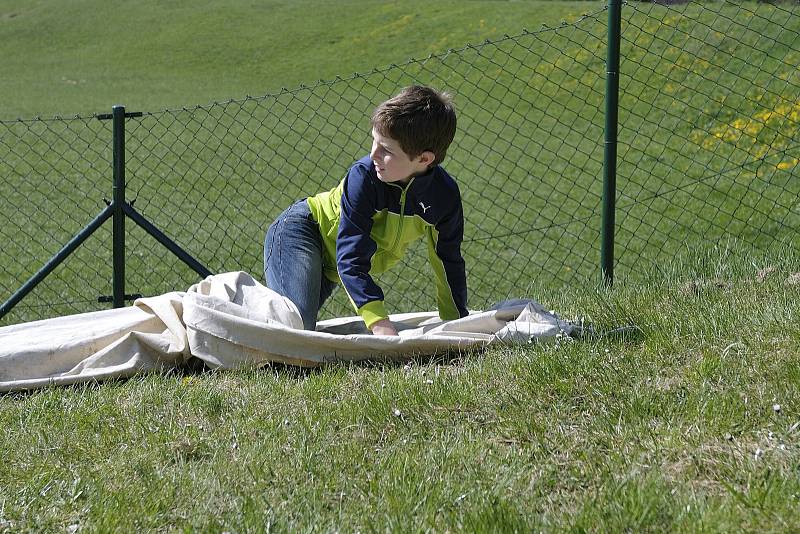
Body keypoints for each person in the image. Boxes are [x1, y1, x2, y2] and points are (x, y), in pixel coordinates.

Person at [264, 85, 468, 336]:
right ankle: (216, 305)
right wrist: (381, 327)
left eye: (387, 150)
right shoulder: (364, 177)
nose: (373, 154)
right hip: (302, 233)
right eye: (374, 141)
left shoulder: (444, 197)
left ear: (425, 159)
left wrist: (457, 326)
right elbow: (351, 260)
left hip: (331, 267)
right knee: (294, 330)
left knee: (292, 330)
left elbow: (447, 262)